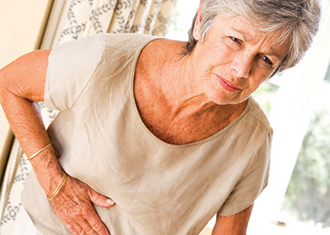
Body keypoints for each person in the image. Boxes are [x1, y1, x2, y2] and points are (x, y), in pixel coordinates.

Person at [0, 0, 321, 234]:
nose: (241, 70)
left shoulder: (252, 142)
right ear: (201, 22)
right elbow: (10, 83)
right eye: (235, 40)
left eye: (265, 59)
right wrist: (54, 184)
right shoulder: (106, 60)